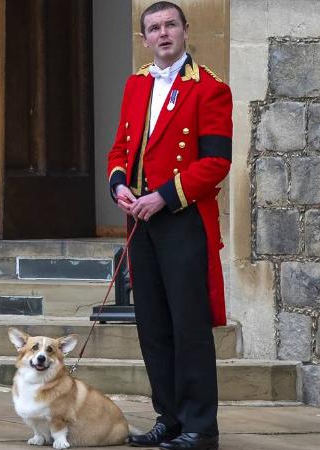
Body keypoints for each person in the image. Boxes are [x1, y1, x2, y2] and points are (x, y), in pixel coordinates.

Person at [106, 2, 231, 449]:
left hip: (182, 218)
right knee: (153, 324)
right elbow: (121, 148)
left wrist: (163, 195)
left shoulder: (210, 88)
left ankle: (201, 426)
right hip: (141, 220)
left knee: (188, 326)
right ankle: (170, 417)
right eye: (154, 28)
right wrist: (119, 185)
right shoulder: (136, 83)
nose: (163, 34)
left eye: (170, 25)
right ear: (144, 39)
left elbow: (216, 162)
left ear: (185, 30)